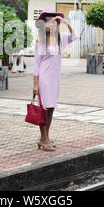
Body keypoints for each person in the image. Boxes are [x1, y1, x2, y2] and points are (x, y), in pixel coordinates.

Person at [33, 9, 79, 151]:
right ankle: (44, 138)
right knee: (43, 109)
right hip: (43, 79)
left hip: (54, 79)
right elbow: (36, 63)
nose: (51, 25)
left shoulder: (61, 38)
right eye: (48, 22)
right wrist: (35, 84)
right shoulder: (40, 40)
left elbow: (75, 36)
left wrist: (67, 23)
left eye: (54, 22)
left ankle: (45, 137)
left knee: (51, 108)